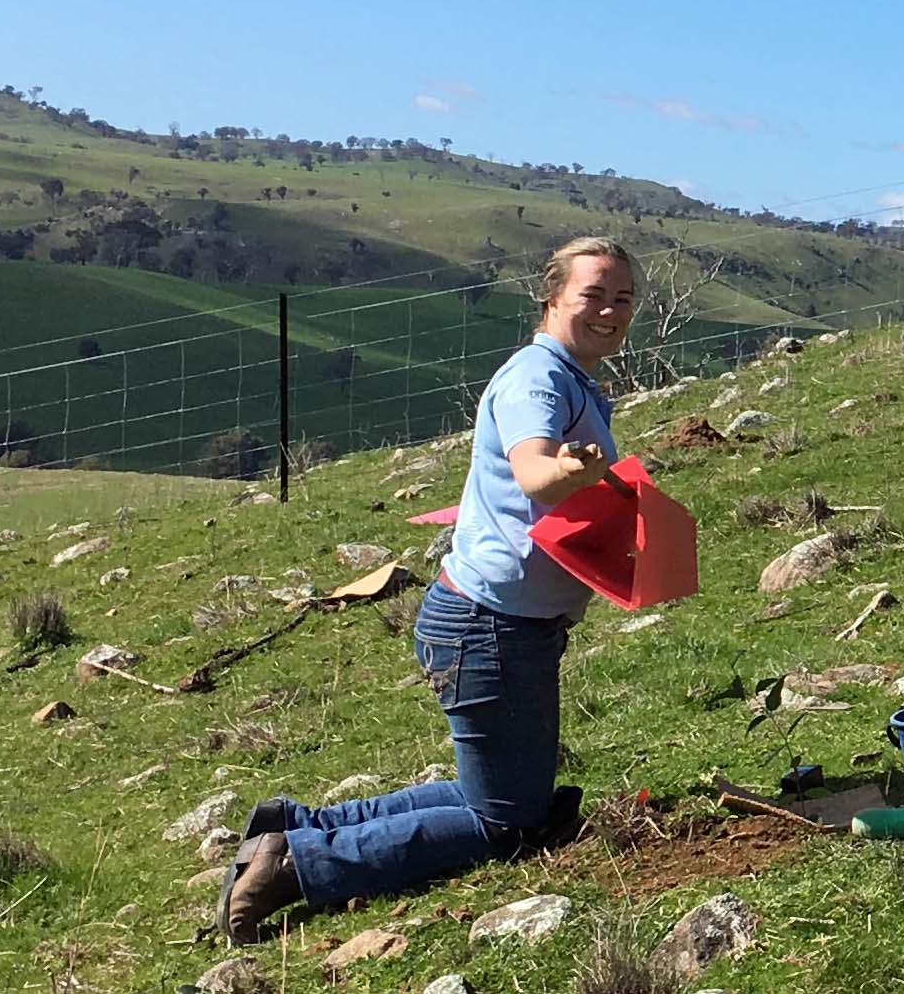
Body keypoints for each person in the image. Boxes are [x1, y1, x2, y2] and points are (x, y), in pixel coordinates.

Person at [218, 237, 639, 944]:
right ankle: (297, 865)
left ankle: (291, 827)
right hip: (490, 627)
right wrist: (572, 466)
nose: (609, 310)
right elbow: (536, 471)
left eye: (623, 298)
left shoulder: (570, 375)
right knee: (503, 822)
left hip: (501, 623)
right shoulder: (537, 379)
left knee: (498, 799)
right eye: (593, 293)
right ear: (552, 296)